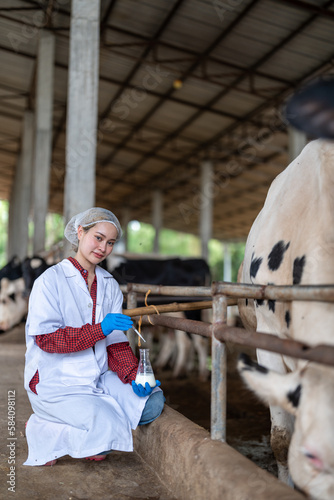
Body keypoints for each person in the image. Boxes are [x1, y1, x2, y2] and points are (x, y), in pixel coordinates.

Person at [24, 207, 164, 466]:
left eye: (110, 243)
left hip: (96, 375)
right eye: (98, 238)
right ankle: (43, 427)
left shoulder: (109, 284)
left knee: (152, 404)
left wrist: (131, 374)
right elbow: (47, 339)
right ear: (80, 232)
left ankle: (86, 420)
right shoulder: (50, 281)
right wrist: (100, 328)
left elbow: (116, 344)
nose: (103, 248)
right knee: (107, 428)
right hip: (57, 380)